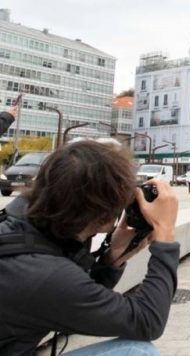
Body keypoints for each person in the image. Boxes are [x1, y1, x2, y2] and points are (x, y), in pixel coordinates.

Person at [0, 140, 179, 354]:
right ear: (104, 208)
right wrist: (164, 234)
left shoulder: (20, 232)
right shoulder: (44, 273)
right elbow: (147, 322)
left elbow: (72, 300)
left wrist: (110, 260)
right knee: (136, 351)